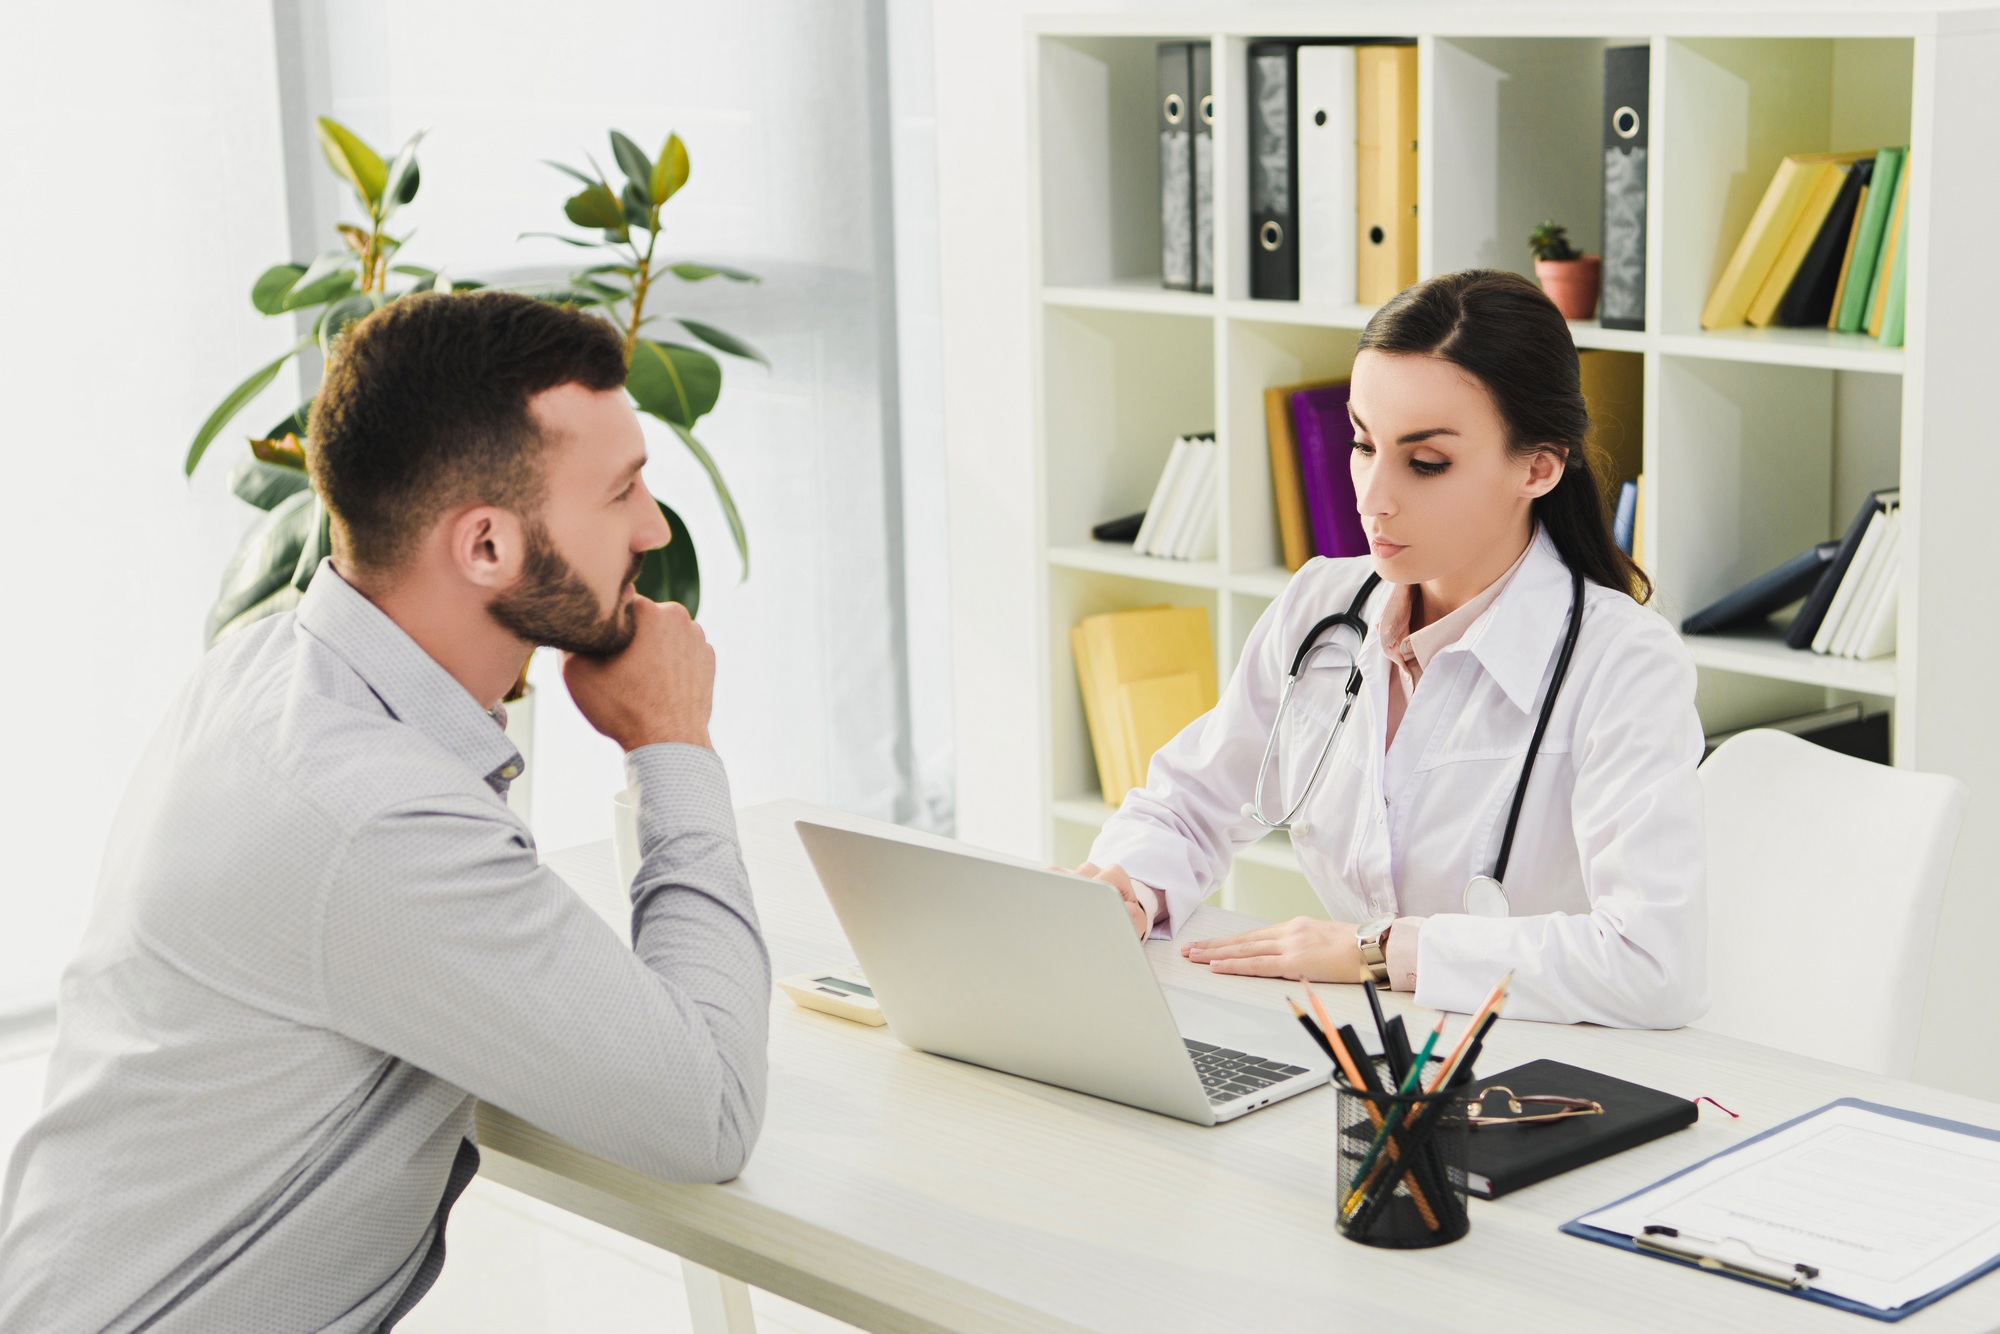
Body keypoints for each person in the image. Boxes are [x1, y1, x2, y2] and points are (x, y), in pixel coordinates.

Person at [0, 291, 771, 1330]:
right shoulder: (371, 813)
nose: (653, 526)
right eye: (622, 489)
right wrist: (670, 736)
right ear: (487, 546)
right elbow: (708, 1112)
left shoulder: (268, 672)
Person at [1078, 269, 1704, 1030]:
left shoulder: (1625, 664)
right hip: (1369, 1056)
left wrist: (1380, 953)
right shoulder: (1321, 608)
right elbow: (1191, 805)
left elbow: (1651, 964)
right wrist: (1125, 886)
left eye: (1426, 462)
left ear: (1538, 467)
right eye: (1362, 444)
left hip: (1546, 1077)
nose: (1371, 495)